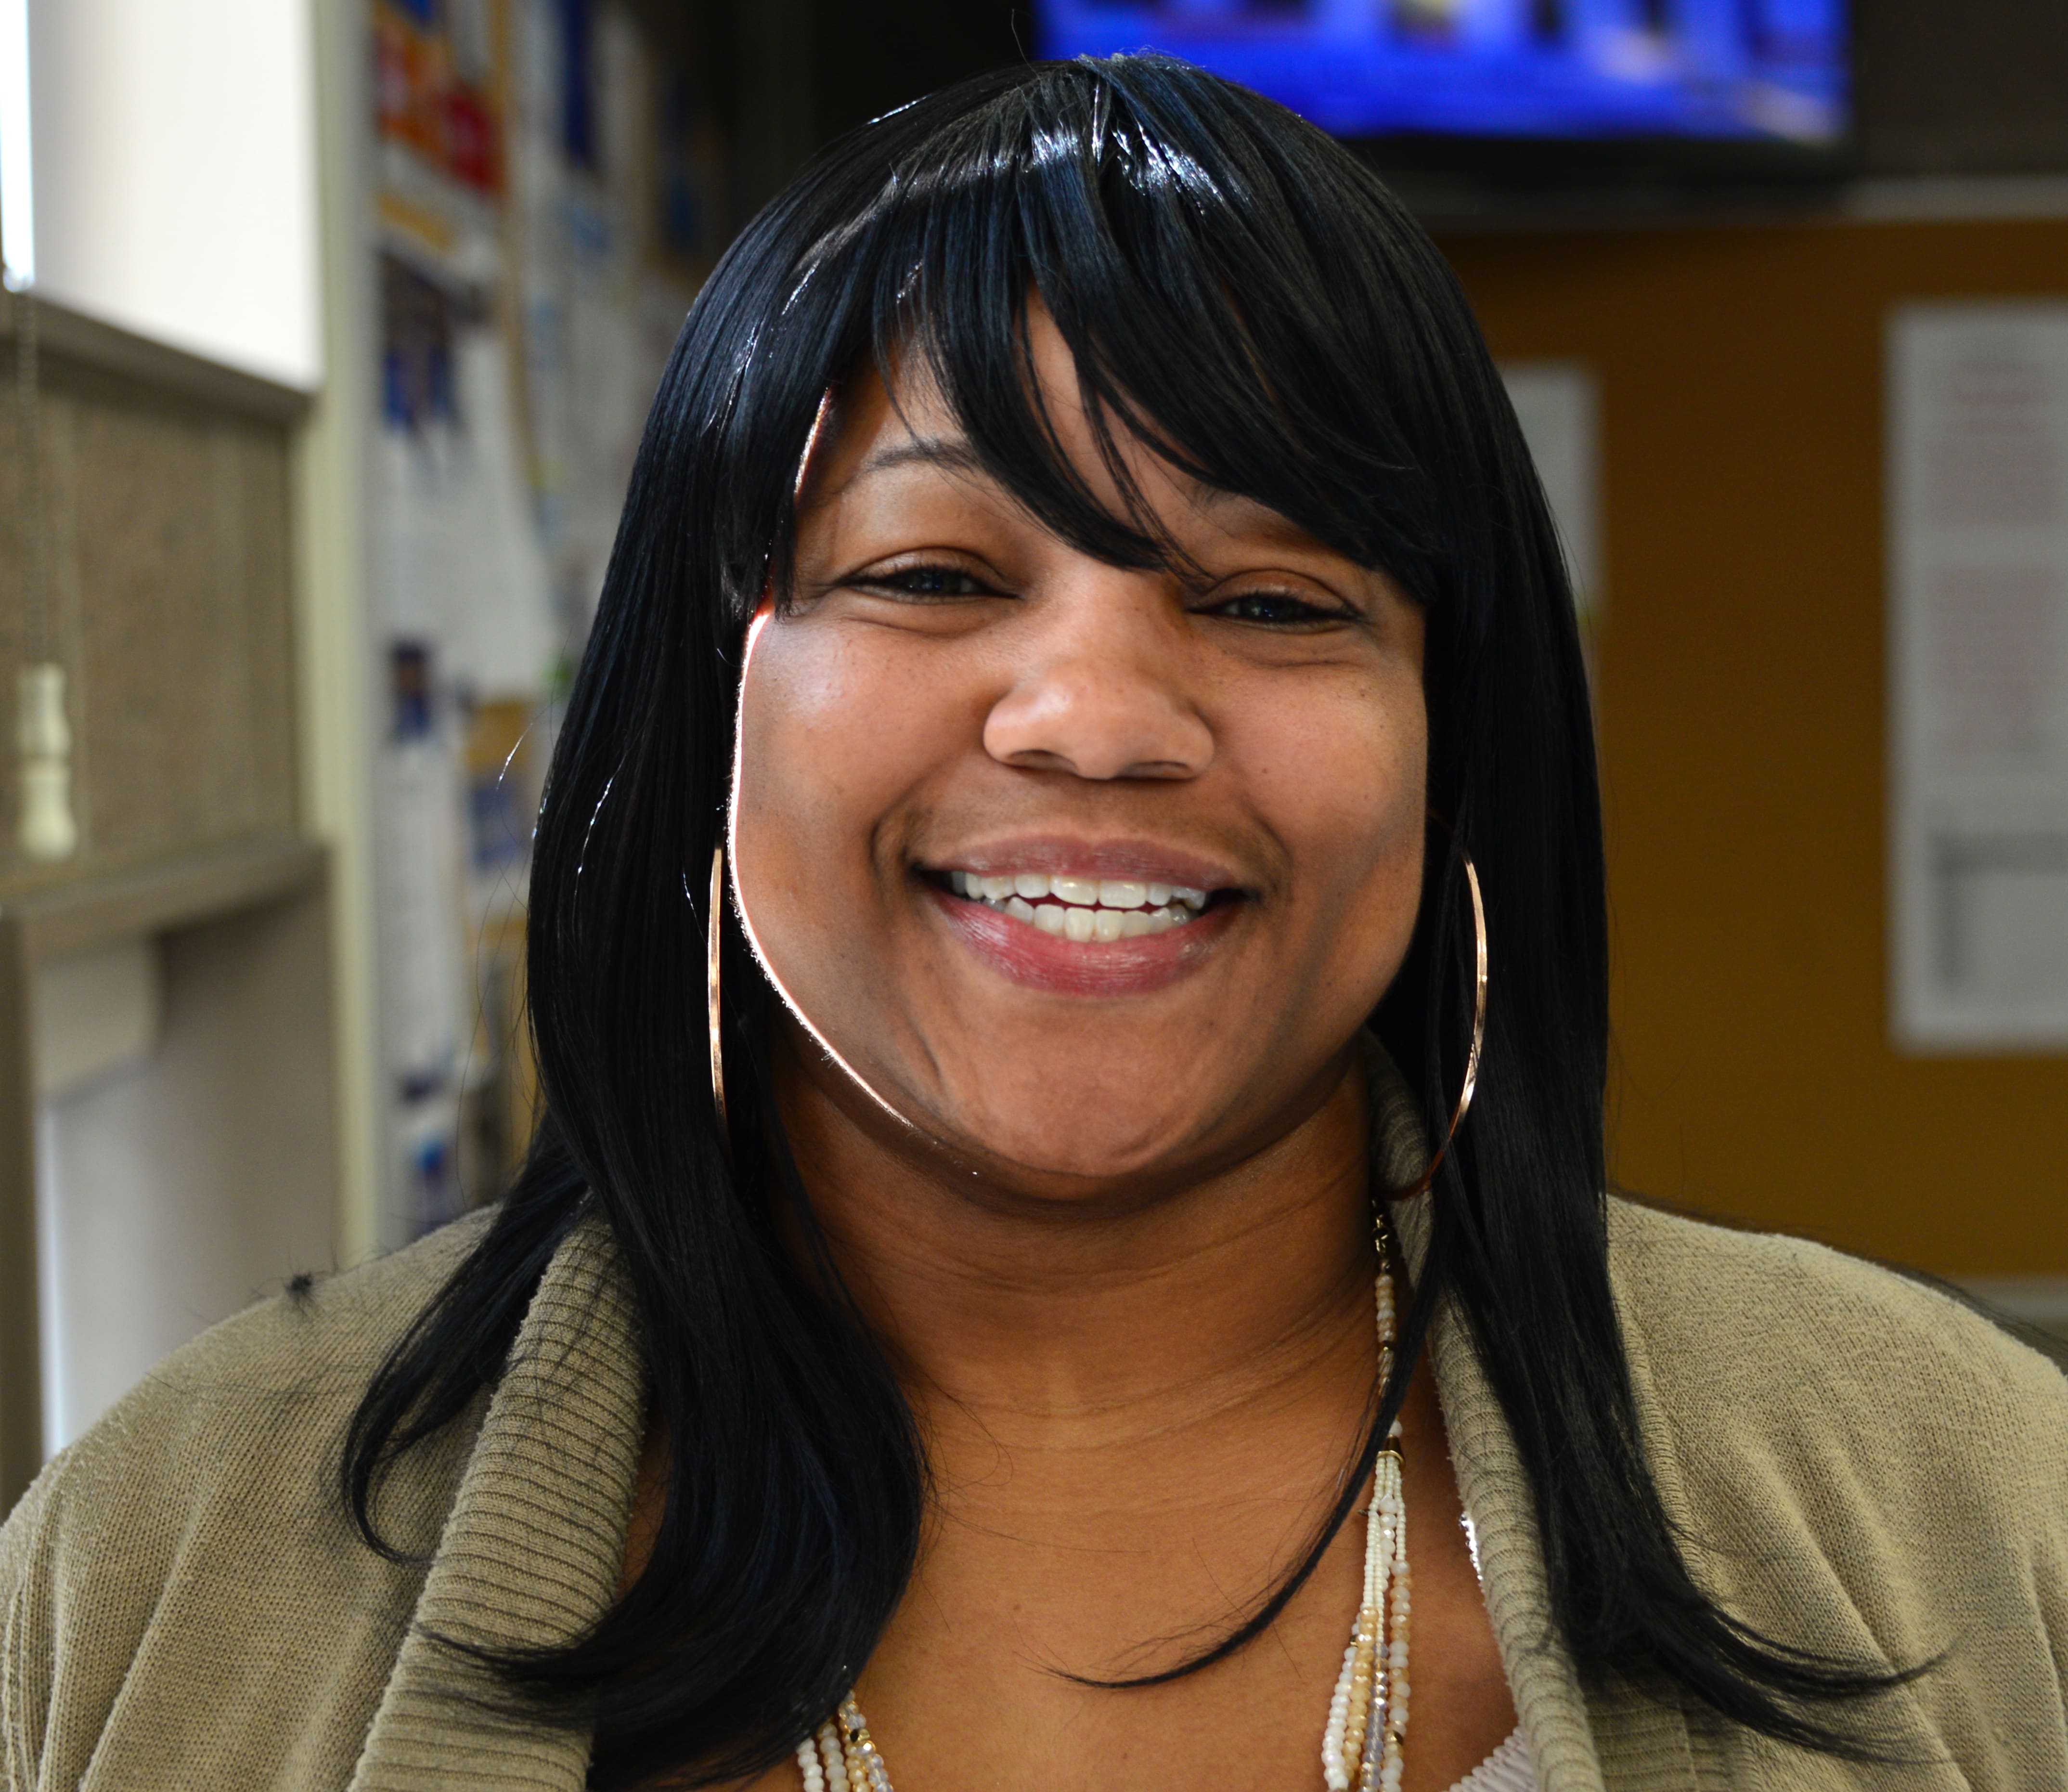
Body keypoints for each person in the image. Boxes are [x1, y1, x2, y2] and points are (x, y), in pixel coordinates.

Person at [4, 54, 2065, 1792]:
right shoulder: (170, 1556)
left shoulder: (1964, 1495)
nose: (1094, 718)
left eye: (1273, 600)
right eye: (932, 575)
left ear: (1457, 750)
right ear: (710, 700)